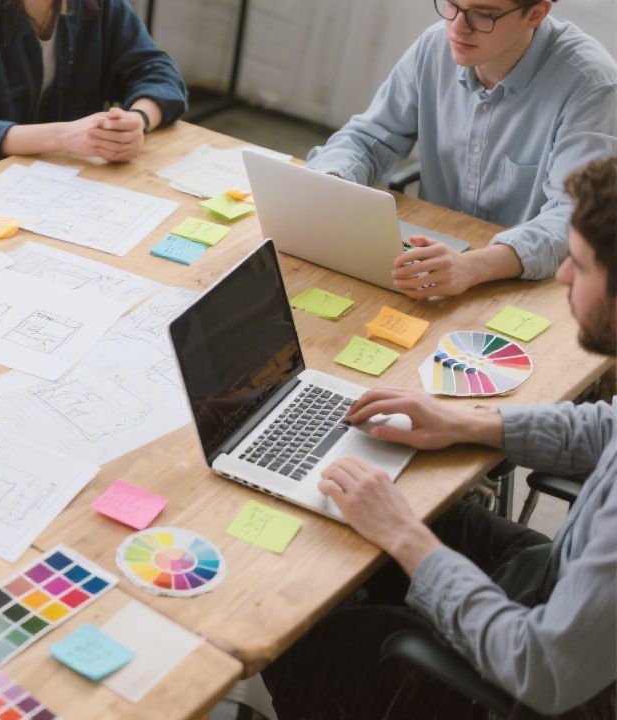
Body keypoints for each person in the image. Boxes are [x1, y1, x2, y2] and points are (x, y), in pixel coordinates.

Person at [262, 155, 617, 717]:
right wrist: (465, 423)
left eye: (580, 263)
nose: (564, 275)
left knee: (297, 636)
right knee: (383, 516)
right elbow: (607, 427)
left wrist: (407, 538)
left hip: (544, 688)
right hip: (555, 579)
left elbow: (543, 669)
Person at [305, 0, 616, 300]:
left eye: (483, 14)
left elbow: (575, 215)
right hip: (432, 263)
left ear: (535, 14)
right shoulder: (433, 46)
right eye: (451, 4)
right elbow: (368, 136)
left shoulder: (590, 83)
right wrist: (332, 181)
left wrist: (472, 266)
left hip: (531, 285)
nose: (456, 28)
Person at [0, 0, 189, 182]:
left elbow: (157, 71)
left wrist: (138, 121)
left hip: (55, 177)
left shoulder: (99, 6)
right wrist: (65, 136)